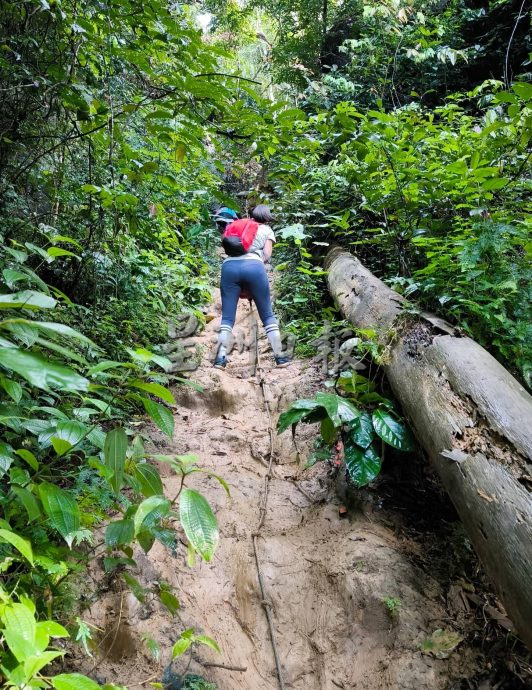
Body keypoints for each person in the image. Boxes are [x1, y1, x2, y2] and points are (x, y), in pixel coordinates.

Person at [214, 204, 291, 369]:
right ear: (267, 217)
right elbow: (267, 255)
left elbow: (227, 247)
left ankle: (220, 359)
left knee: (227, 318)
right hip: (254, 267)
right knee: (268, 316)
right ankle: (280, 357)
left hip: (229, 268)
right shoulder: (266, 230)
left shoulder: (238, 225)